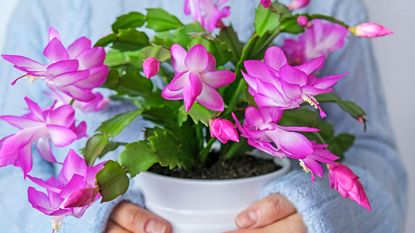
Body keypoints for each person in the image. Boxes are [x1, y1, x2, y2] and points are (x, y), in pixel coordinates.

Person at [0, 0, 407, 232]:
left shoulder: (327, 2)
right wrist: (89, 222)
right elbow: (6, 185)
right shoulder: (46, 7)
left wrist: (321, 212)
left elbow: (379, 161)